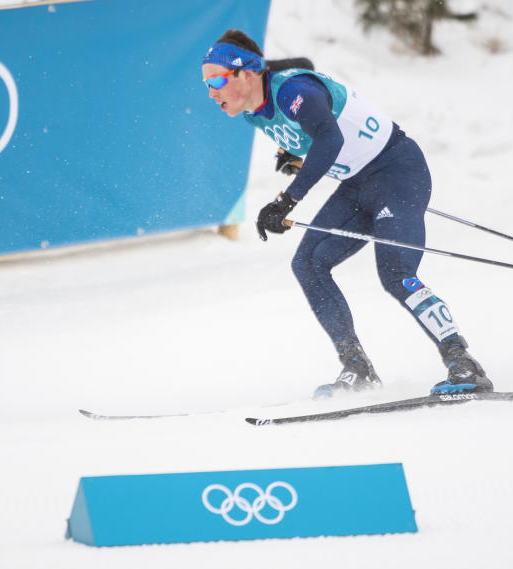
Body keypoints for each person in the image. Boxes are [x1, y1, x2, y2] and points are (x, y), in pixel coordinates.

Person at [201, 29, 493, 399]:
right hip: (357, 185)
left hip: (396, 171)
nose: (211, 93)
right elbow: (308, 106)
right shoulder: (253, 111)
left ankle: (463, 361)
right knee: (307, 263)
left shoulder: (294, 91)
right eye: (206, 84)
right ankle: (357, 368)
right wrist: (295, 154)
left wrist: (287, 200)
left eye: (215, 81)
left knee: (396, 274)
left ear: (246, 73)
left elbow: (330, 139)